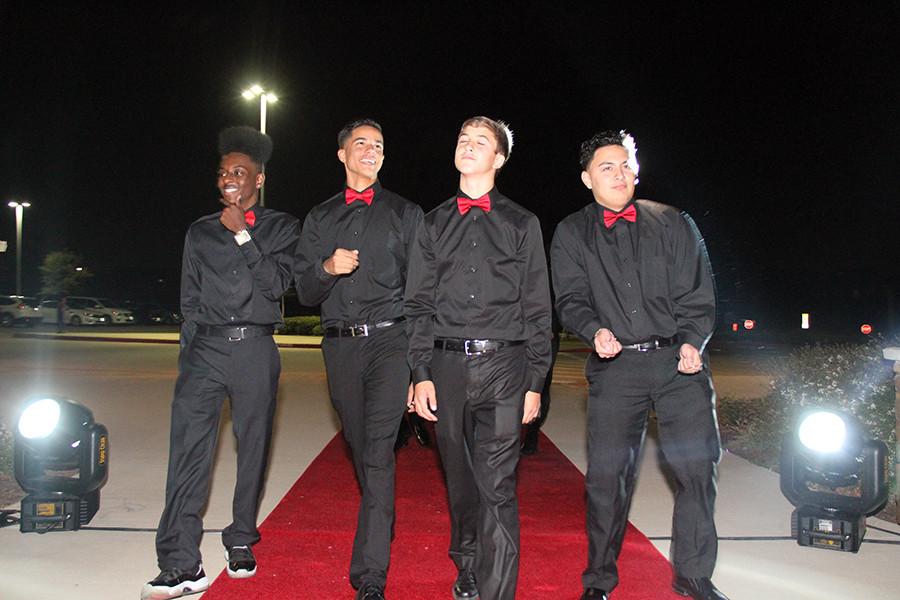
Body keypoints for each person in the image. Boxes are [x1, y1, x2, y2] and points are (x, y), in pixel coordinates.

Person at [550, 130, 726, 600]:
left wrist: (693, 341)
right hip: (617, 368)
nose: (619, 174)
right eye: (607, 167)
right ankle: (600, 579)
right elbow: (569, 298)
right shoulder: (571, 232)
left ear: (637, 171)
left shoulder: (673, 222)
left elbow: (698, 292)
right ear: (588, 178)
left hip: (678, 365)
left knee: (696, 469)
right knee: (608, 478)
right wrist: (593, 330)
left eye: (626, 165)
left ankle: (692, 575)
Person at [141, 126, 299, 600]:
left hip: (254, 347)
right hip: (204, 349)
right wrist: (188, 357)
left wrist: (245, 235)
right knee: (187, 451)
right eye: (223, 173)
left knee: (252, 448)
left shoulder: (284, 227)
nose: (229, 178)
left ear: (259, 179)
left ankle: (241, 540)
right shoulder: (199, 232)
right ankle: (179, 563)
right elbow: (189, 300)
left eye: (239, 172)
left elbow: (277, 286)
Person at [406, 116, 552, 600]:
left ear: (499, 159)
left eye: (481, 141)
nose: (468, 146)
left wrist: (535, 380)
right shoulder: (431, 223)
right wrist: (420, 372)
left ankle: (496, 590)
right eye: (463, 138)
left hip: (506, 368)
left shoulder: (521, 223)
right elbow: (418, 304)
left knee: (499, 484)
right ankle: (466, 560)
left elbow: (537, 307)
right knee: (461, 479)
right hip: (445, 367)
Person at [293, 119, 423, 600]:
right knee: (359, 443)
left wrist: (419, 367)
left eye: (379, 146)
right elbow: (304, 290)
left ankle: (370, 576)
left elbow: (420, 293)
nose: (371, 151)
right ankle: (380, 514)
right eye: (361, 144)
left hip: (391, 343)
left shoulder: (407, 214)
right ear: (342, 153)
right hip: (341, 346)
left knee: (377, 451)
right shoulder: (320, 217)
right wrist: (327, 268)